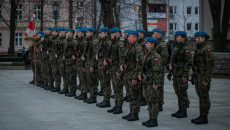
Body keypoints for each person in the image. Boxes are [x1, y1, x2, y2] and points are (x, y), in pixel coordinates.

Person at [191, 31, 214, 124]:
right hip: (198, 76)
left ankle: (204, 116)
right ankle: (201, 115)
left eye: (198, 38)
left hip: (203, 76)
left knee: (204, 96)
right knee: (200, 96)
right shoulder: (199, 48)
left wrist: (206, 79)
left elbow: (209, 66)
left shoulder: (207, 49)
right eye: (196, 38)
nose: (196, 39)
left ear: (204, 38)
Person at [120, 31, 143, 121]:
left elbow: (139, 63)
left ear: (134, 38)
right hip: (127, 74)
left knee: (134, 95)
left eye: (129, 37)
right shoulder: (130, 47)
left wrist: (135, 77)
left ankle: (135, 113)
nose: (128, 38)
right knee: (130, 94)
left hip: (133, 74)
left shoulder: (138, 48)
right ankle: (131, 111)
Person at [169, 31, 192, 118]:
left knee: (182, 92)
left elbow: (188, 62)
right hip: (175, 73)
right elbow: (172, 58)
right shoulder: (176, 48)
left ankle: (184, 110)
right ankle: (180, 109)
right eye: (177, 37)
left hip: (182, 73)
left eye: (179, 37)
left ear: (183, 38)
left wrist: (185, 75)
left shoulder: (186, 49)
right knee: (178, 92)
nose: (177, 38)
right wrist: (171, 64)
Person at [140, 37, 161, 127]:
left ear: (153, 44)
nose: (146, 44)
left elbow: (157, 71)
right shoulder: (147, 54)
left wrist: (156, 83)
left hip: (152, 81)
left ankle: (154, 119)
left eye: (148, 43)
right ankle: (150, 118)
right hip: (146, 80)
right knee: (148, 99)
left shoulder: (155, 56)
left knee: (153, 101)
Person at [96, 27, 113, 108]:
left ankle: (107, 101)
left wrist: (108, 67)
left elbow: (109, 55)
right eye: (99, 33)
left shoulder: (108, 42)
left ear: (106, 33)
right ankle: (105, 99)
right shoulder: (101, 41)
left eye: (101, 33)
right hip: (101, 65)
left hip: (105, 66)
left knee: (106, 83)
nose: (100, 34)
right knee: (103, 83)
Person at [152, 28, 168, 111]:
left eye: (154, 34)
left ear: (159, 35)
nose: (153, 35)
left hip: (159, 69)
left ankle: (160, 104)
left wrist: (158, 65)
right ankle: (156, 104)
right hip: (153, 69)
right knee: (154, 88)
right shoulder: (155, 44)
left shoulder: (162, 45)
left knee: (159, 87)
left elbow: (164, 58)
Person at [81, 28, 99, 103]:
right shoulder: (88, 41)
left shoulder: (95, 41)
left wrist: (92, 65)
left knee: (93, 81)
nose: (87, 33)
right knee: (89, 81)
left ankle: (93, 97)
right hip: (88, 63)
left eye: (88, 32)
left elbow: (95, 55)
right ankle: (91, 96)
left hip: (92, 64)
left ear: (92, 33)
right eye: (86, 32)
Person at [63, 29, 77, 97]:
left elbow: (76, 52)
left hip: (71, 62)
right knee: (68, 76)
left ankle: (73, 91)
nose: (66, 33)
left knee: (72, 77)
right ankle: (70, 90)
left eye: (67, 32)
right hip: (67, 61)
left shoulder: (73, 42)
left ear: (71, 33)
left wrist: (74, 61)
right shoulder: (66, 41)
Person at [136, 28, 147, 106]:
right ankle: (140, 97)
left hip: (142, 65)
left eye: (140, 33)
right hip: (137, 65)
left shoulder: (144, 43)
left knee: (143, 83)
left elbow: (144, 55)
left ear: (143, 34)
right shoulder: (138, 43)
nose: (138, 35)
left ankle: (143, 98)